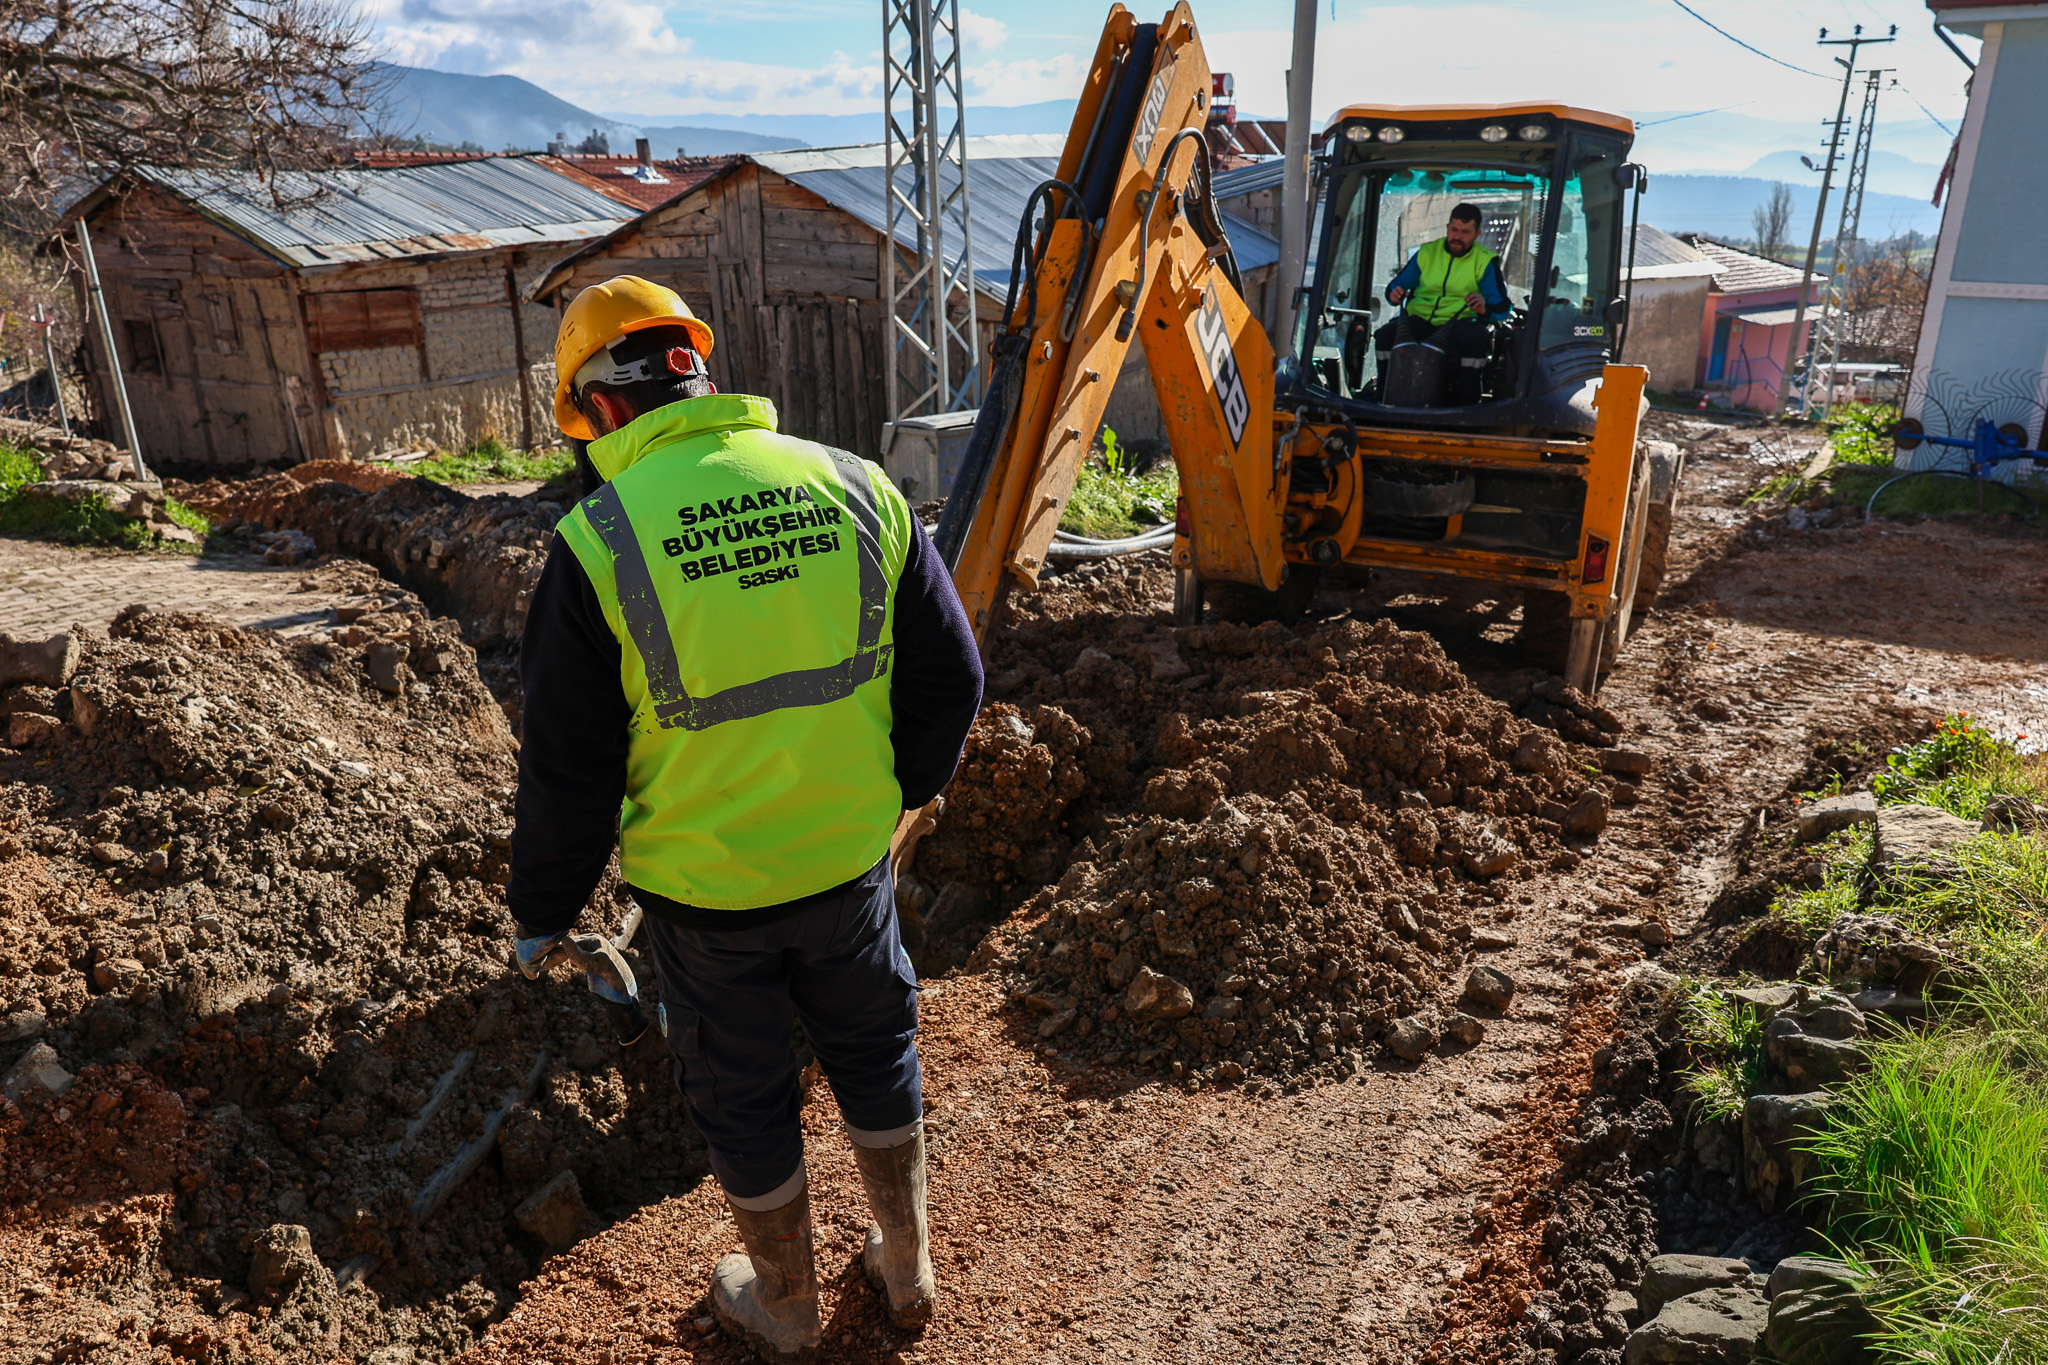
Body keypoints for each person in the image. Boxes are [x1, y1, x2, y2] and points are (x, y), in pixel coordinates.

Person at [508, 275, 983, 1360]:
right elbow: (952, 677)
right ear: (697, 375)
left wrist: (543, 908)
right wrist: (896, 793)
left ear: (595, 410)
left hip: (707, 894)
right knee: (874, 1049)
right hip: (849, 865)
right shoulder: (859, 486)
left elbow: (570, 767)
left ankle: (786, 1304)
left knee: (743, 1090)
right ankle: (906, 1271)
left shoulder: (597, 543)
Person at [1365, 202, 1511, 405]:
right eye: (1454, 230)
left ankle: (1466, 409)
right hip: (1421, 319)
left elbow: (1503, 308)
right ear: (1447, 227)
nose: (1458, 237)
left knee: (1477, 339)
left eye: (1465, 232)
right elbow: (1395, 287)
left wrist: (1484, 308)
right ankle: (1384, 401)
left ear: (1477, 234)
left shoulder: (1485, 261)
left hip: (1459, 322)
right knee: (1385, 335)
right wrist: (1395, 294)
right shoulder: (1427, 253)